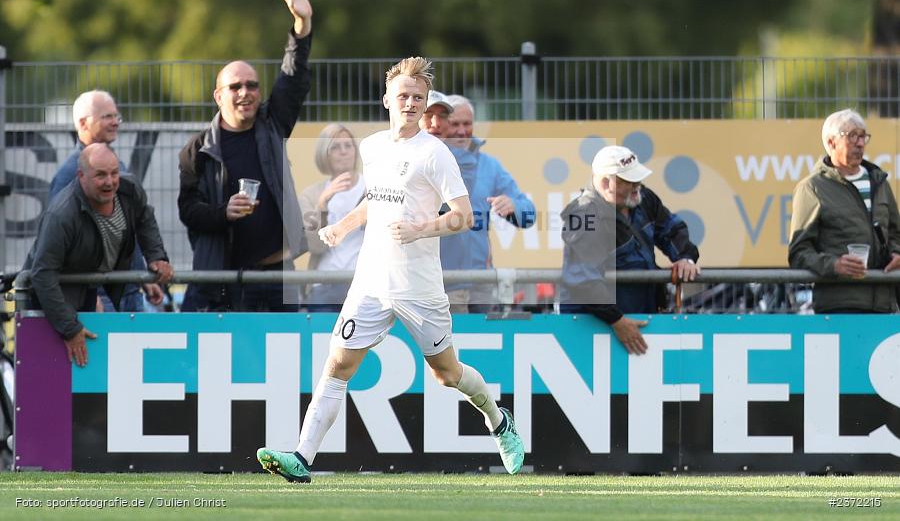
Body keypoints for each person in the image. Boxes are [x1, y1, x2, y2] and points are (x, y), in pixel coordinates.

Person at [256, 57, 525, 483]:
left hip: (418, 286)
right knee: (337, 365)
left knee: (446, 374)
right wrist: (343, 226)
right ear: (387, 100)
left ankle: (498, 419)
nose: (411, 103)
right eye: (404, 96)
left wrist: (420, 228)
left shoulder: (435, 153)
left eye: (418, 97)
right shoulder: (374, 146)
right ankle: (302, 457)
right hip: (371, 281)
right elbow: (376, 200)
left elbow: (464, 216)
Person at [177, 0, 312, 312]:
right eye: (235, 87)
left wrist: (302, 25)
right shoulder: (197, 149)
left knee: (287, 347)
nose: (245, 93)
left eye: (252, 85)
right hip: (230, 280)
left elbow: (292, 77)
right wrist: (224, 212)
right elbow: (188, 211)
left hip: (280, 273)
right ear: (218, 96)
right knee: (236, 350)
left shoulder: (272, 124)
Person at [23, 143, 173, 367]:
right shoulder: (61, 215)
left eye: (114, 173)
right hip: (51, 299)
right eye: (100, 175)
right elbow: (43, 274)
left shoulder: (130, 188)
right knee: (54, 372)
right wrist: (70, 328)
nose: (110, 182)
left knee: (99, 367)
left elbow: (144, 218)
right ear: (81, 176)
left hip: (89, 287)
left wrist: (156, 256)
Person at [559, 145, 700, 355]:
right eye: (630, 181)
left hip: (635, 321)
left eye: (638, 179)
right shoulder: (584, 216)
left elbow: (671, 229)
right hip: (592, 329)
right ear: (606, 183)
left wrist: (685, 258)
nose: (637, 186)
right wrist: (617, 321)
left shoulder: (642, 198)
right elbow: (583, 281)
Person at [49, 90, 164, 311]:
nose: (115, 122)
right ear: (83, 124)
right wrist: (86, 294)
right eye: (107, 117)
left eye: (116, 116)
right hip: (98, 294)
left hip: (127, 288)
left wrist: (141, 275)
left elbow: (128, 226)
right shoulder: (69, 174)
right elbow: (59, 242)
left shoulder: (117, 165)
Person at [789, 109, 900, 312]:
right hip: (840, 306)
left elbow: (895, 234)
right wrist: (834, 265)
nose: (860, 143)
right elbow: (799, 253)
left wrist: (896, 253)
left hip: (884, 305)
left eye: (863, 136)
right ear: (831, 143)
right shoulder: (812, 188)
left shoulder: (879, 182)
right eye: (852, 136)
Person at [438, 94, 536, 313]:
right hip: (443, 281)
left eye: (467, 124)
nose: (461, 131)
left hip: (481, 280)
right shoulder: (430, 162)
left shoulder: (490, 165)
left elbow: (529, 215)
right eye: (455, 124)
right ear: (442, 125)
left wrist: (514, 206)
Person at [298, 124, 365, 311]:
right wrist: (322, 204)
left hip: (365, 284)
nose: (343, 151)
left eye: (348, 145)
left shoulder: (373, 188)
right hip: (324, 287)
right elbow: (314, 246)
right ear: (324, 155)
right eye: (335, 147)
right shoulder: (311, 195)